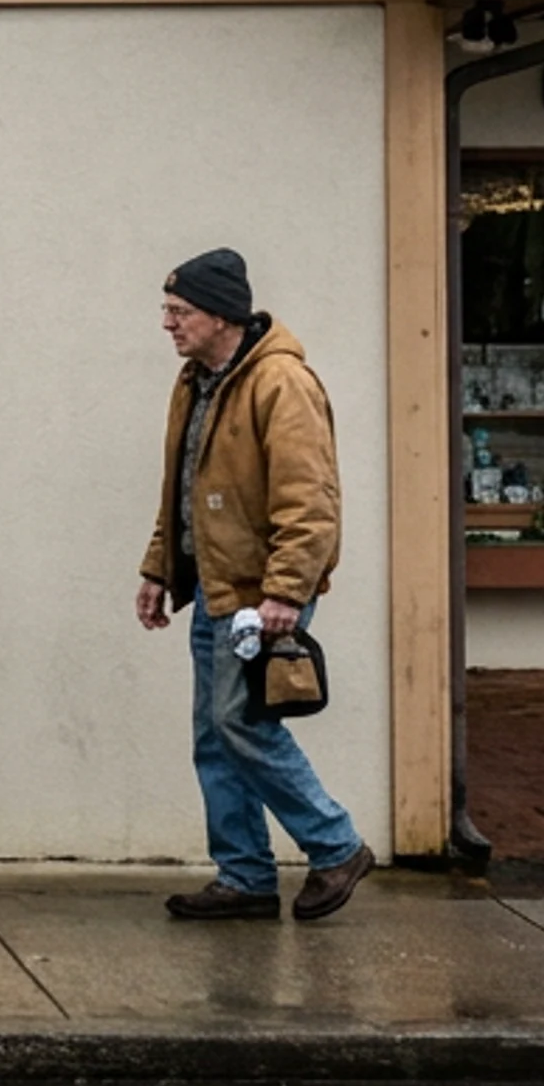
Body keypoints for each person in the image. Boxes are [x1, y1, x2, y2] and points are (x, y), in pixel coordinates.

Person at [133, 248, 374, 922]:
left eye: (179, 311)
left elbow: (311, 501)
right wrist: (159, 567)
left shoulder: (281, 384)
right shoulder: (196, 382)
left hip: (257, 593)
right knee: (215, 733)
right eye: (168, 310)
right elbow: (180, 488)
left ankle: (335, 845)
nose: (167, 323)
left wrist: (287, 593)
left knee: (241, 723)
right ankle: (244, 875)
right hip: (216, 585)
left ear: (220, 316)